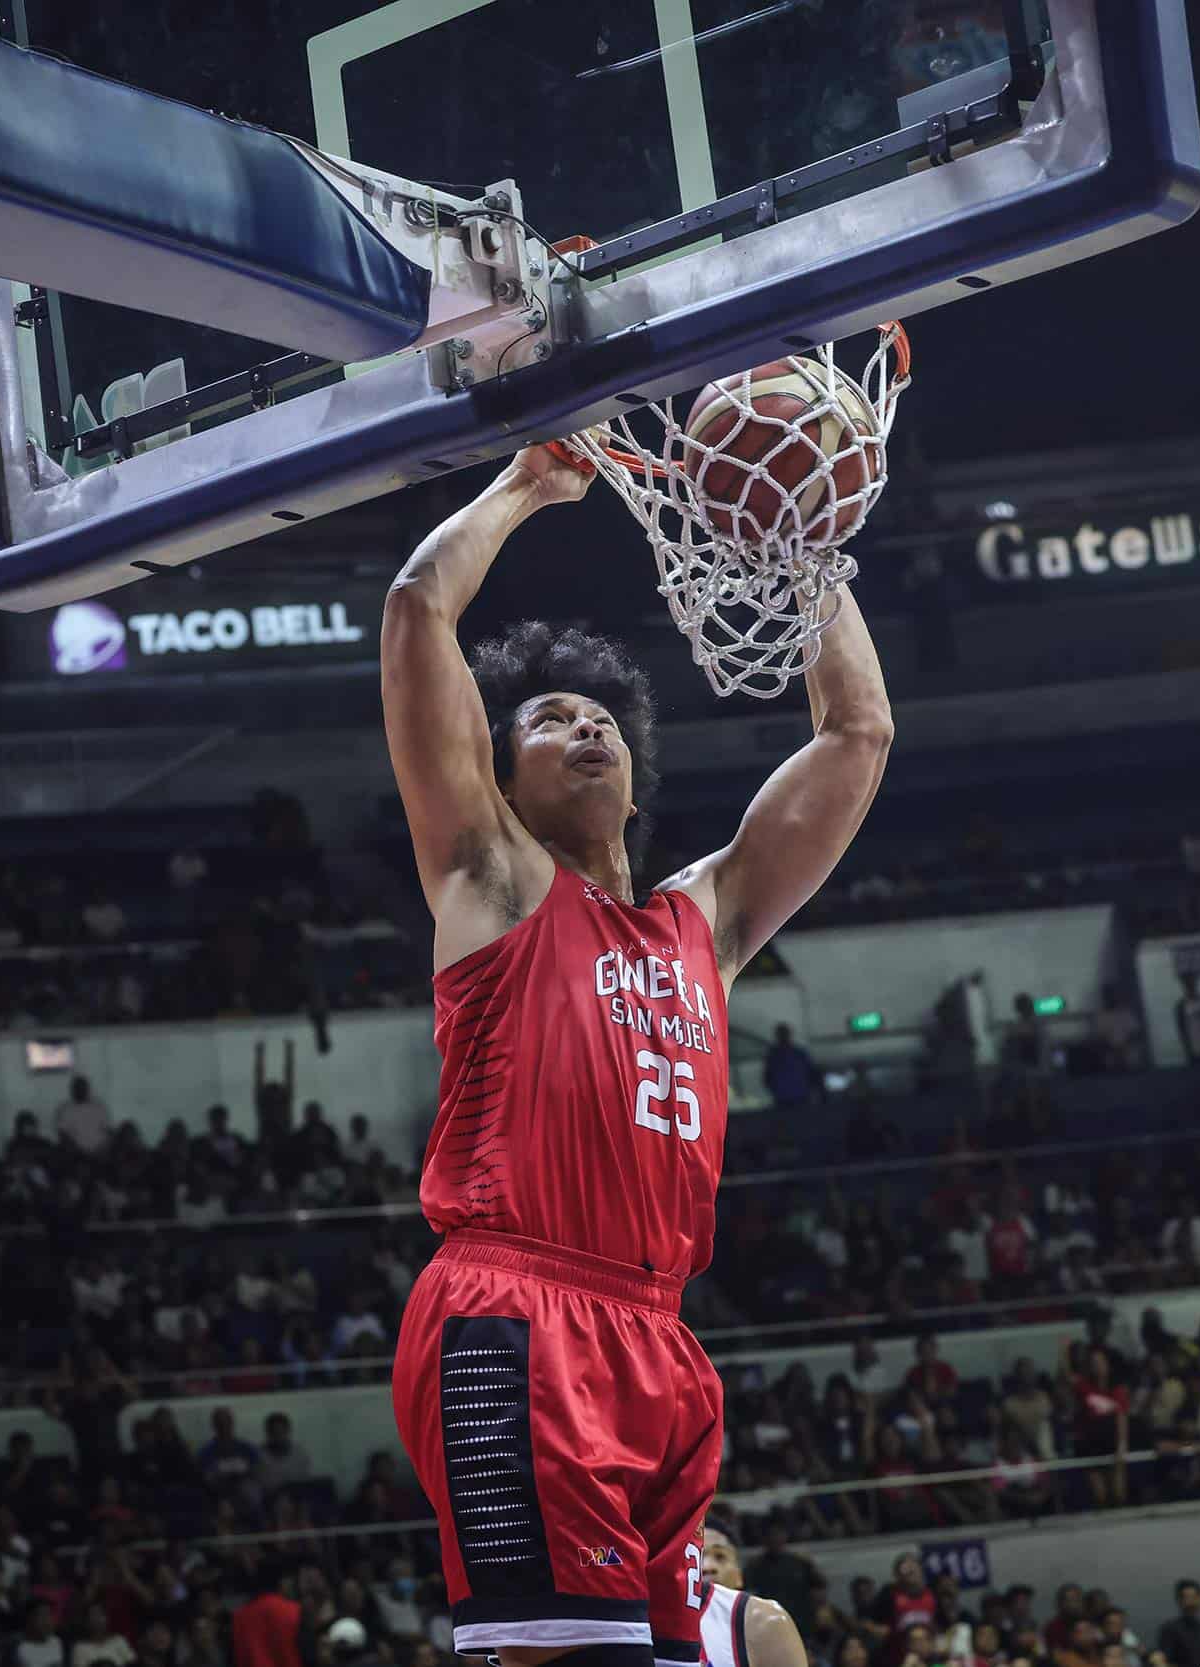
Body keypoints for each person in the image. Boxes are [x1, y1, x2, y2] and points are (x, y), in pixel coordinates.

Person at [383, 443, 893, 1667]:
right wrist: (523, 488)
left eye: (599, 714)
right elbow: (417, 609)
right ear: (498, 779)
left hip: (658, 1335)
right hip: (516, 1307)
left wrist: (803, 545)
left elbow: (859, 729)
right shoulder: (491, 878)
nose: (582, 725)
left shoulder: (699, 922)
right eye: (548, 719)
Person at [695, 1523, 807, 1667]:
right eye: (698, 1556)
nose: (708, 1567)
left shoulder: (766, 1621)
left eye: (720, 1556)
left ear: (738, 1575)